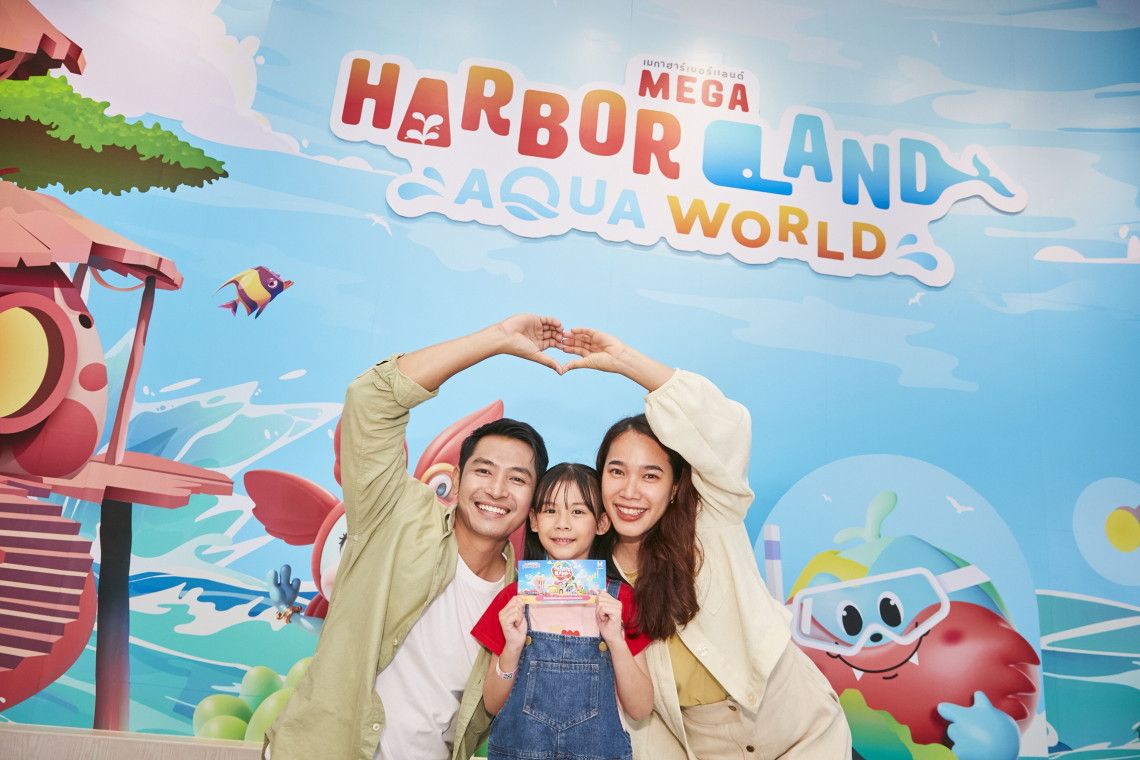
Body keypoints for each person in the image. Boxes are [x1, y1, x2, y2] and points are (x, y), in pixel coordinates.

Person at [264, 314, 564, 760]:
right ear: (457, 479)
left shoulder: (525, 598)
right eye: (484, 471)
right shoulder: (396, 513)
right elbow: (371, 398)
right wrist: (496, 339)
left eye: (517, 479)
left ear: (534, 499)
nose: (497, 490)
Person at [559, 327, 852, 759]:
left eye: (651, 475)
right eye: (617, 471)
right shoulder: (593, 575)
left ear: (676, 487)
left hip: (798, 726)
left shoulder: (712, 521)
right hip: (700, 744)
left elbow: (727, 426)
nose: (630, 491)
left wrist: (625, 361)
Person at [471, 463, 653, 760]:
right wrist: (512, 648)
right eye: (550, 510)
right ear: (534, 520)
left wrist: (616, 640)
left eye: (578, 511)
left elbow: (641, 708)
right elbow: (491, 703)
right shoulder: (512, 600)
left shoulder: (621, 601)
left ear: (602, 523)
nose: (562, 523)